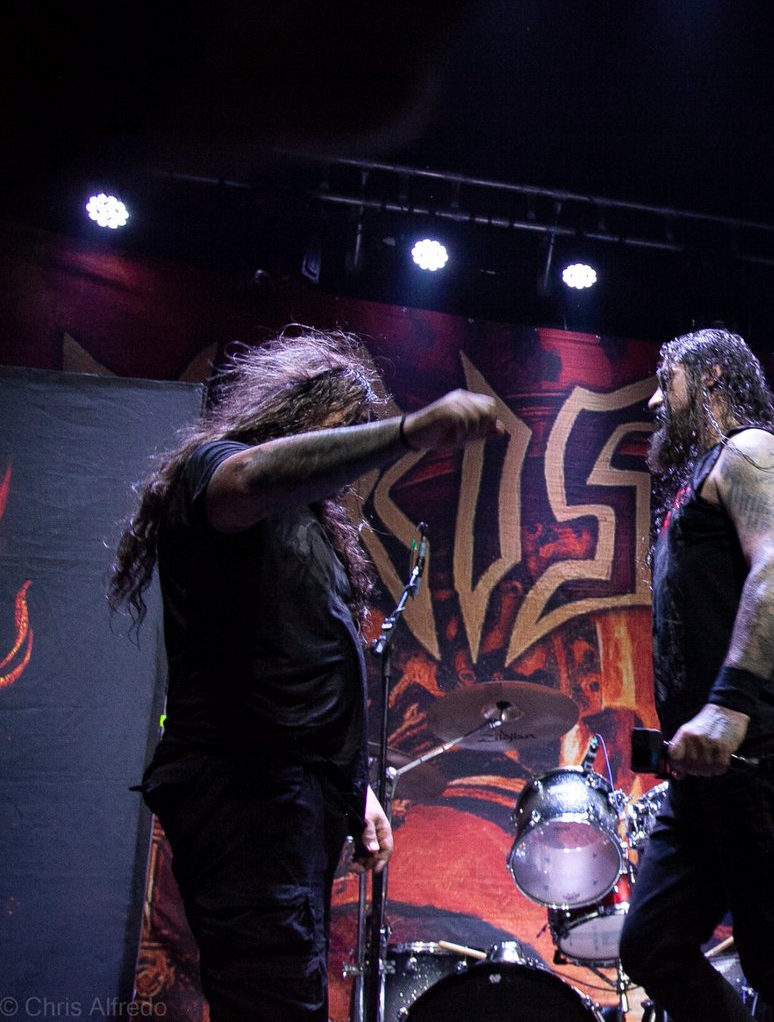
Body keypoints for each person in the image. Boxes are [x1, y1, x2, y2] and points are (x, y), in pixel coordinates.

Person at [108, 327, 504, 1019]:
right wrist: (406, 432)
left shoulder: (305, 526)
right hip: (246, 795)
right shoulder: (213, 470)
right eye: (344, 429)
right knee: (275, 999)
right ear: (299, 413)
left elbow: (296, 659)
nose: (348, 459)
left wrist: (355, 787)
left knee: (287, 992)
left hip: (289, 798)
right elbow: (254, 476)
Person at [618, 328, 774, 1022]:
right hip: (709, 770)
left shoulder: (751, 452)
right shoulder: (708, 474)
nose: (654, 400)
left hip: (760, 747)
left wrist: (728, 705)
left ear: (712, 374)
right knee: (653, 943)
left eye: (667, 379)